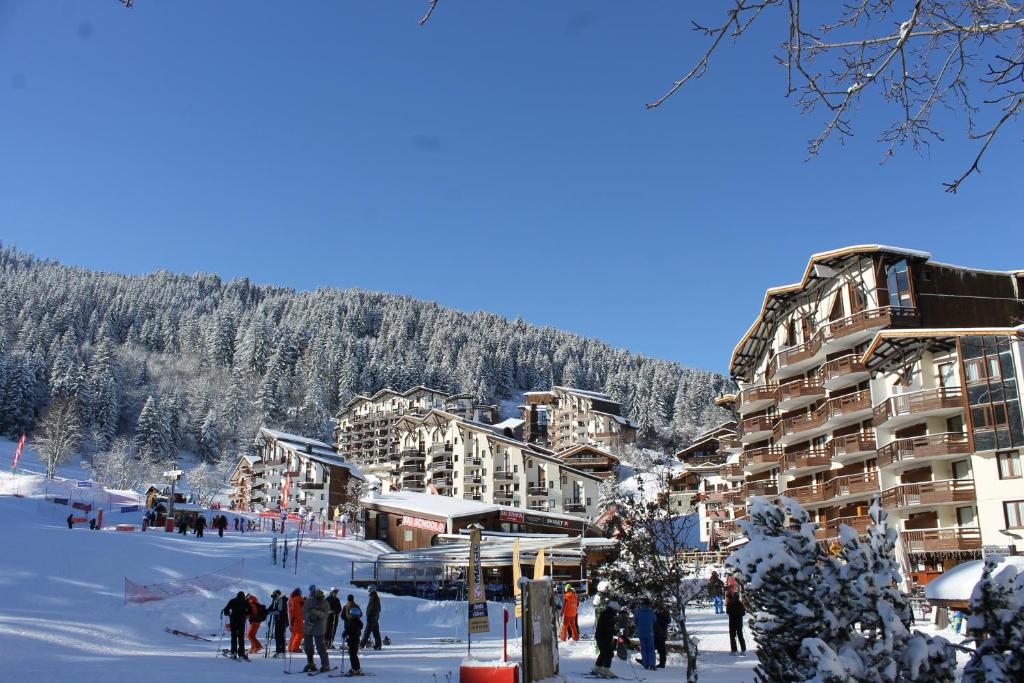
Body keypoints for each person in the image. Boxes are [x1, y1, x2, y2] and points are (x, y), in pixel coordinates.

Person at [302, 587, 331, 673]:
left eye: (321, 598)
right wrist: (310, 617)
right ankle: (310, 662)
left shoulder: (325, 603)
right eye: (318, 598)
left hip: (319, 628)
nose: (319, 599)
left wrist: (317, 613)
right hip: (308, 627)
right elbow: (304, 612)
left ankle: (325, 664)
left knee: (321, 647)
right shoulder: (309, 601)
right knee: (308, 646)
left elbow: (326, 614)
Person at [592, 599, 619, 678]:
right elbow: (608, 628)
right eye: (616, 610)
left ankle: (597, 668)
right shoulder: (608, 616)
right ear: (612, 609)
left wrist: (614, 632)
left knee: (603, 652)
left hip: (601, 636)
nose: (616, 612)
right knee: (609, 653)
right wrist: (615, 632)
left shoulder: (606, 614)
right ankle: (606, 670)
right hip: (604, 636)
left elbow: (608, 627)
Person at [222, 591, 250, 660]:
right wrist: (245, 614)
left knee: (234, 637)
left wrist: (229, 614)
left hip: (233, 620)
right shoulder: (245, 602)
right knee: (241, 637)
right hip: (242, 621)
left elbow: (226, 610)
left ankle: (233, 652)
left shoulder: (232, 601)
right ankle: (241, 653)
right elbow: (251, 610)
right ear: (243, 596)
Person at [342, 596, 364, 675]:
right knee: (354, 654)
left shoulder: (353, 622)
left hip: (352, 639)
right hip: (355, 639)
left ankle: (355, 669)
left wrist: (345, 633)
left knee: (352, 654)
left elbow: (350, 630)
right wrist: (345, 633)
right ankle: (357, 668)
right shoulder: (357, 621)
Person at [633, 599, 656, 670]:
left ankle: (645, 664)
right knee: (651, 649)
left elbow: (635, 620)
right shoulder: (651, 612)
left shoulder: (638, 612)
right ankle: (652, 665)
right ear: (649, 605)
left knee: (644, 648)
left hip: (641, 632)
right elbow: (654, 620)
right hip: (649, 632)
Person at [269, 589, 289, 657]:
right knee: (280, 636)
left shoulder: (280, 601)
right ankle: (281, 652)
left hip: (280, 621)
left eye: (274, 596)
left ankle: (280, 652)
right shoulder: (281, 600)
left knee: (279, 636)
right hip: (282, 621)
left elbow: (279, 611)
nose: (274, 598)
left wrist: (270, 612)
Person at [361, 585, 382, 650]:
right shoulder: (375, 597)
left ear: (372, 590)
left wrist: (369, 615)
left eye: (369, 590)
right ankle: (378, 645)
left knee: (367, 632)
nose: (368, 591)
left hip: (371, 618)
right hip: (375, 617)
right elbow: (378, 608)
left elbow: (372, 608)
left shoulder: (373, 597)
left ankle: (361, 645)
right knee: (376, 632)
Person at [726, 590, 746, 655]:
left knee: (732, 636)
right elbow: (743, 613)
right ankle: (743, 650)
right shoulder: (740, 603)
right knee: (740, 635)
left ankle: (734, 650)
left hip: (732, 622)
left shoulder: (729, 603)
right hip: (739, 621)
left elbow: (727, 612)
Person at [288, 587, 305, 653]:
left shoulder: (290, 600)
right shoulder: (298, 599)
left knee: (293, 634)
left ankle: (290, 647)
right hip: (298, 619)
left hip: (292, 619)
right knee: (299, 634)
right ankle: (295, 648)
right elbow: (305, 602)